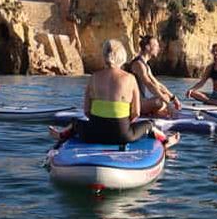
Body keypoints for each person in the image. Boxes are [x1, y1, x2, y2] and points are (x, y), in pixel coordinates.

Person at [50, 39, 179, 147]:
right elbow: (136, 113)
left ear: (104, 56)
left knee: (76, 123)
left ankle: (61, 135)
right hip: (122, 135)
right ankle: (166, 141)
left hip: (93, 134)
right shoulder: (130, 78)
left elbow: (86, 111)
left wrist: (101, 122)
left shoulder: (93, 78)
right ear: (122, 57)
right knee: (150, 125)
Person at [126, 35, 182, 117]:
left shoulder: (145, 65)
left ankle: (156, 112)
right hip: (136, 104)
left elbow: (157, 84)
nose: (158, 48)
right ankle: (154, 112)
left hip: (143, 102)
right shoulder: (138, 64)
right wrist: (167, 102)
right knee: (161, 101)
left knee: (165, 98)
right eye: (156, 45)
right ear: (147, 47)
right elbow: (149, 84)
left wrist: (173, 97)